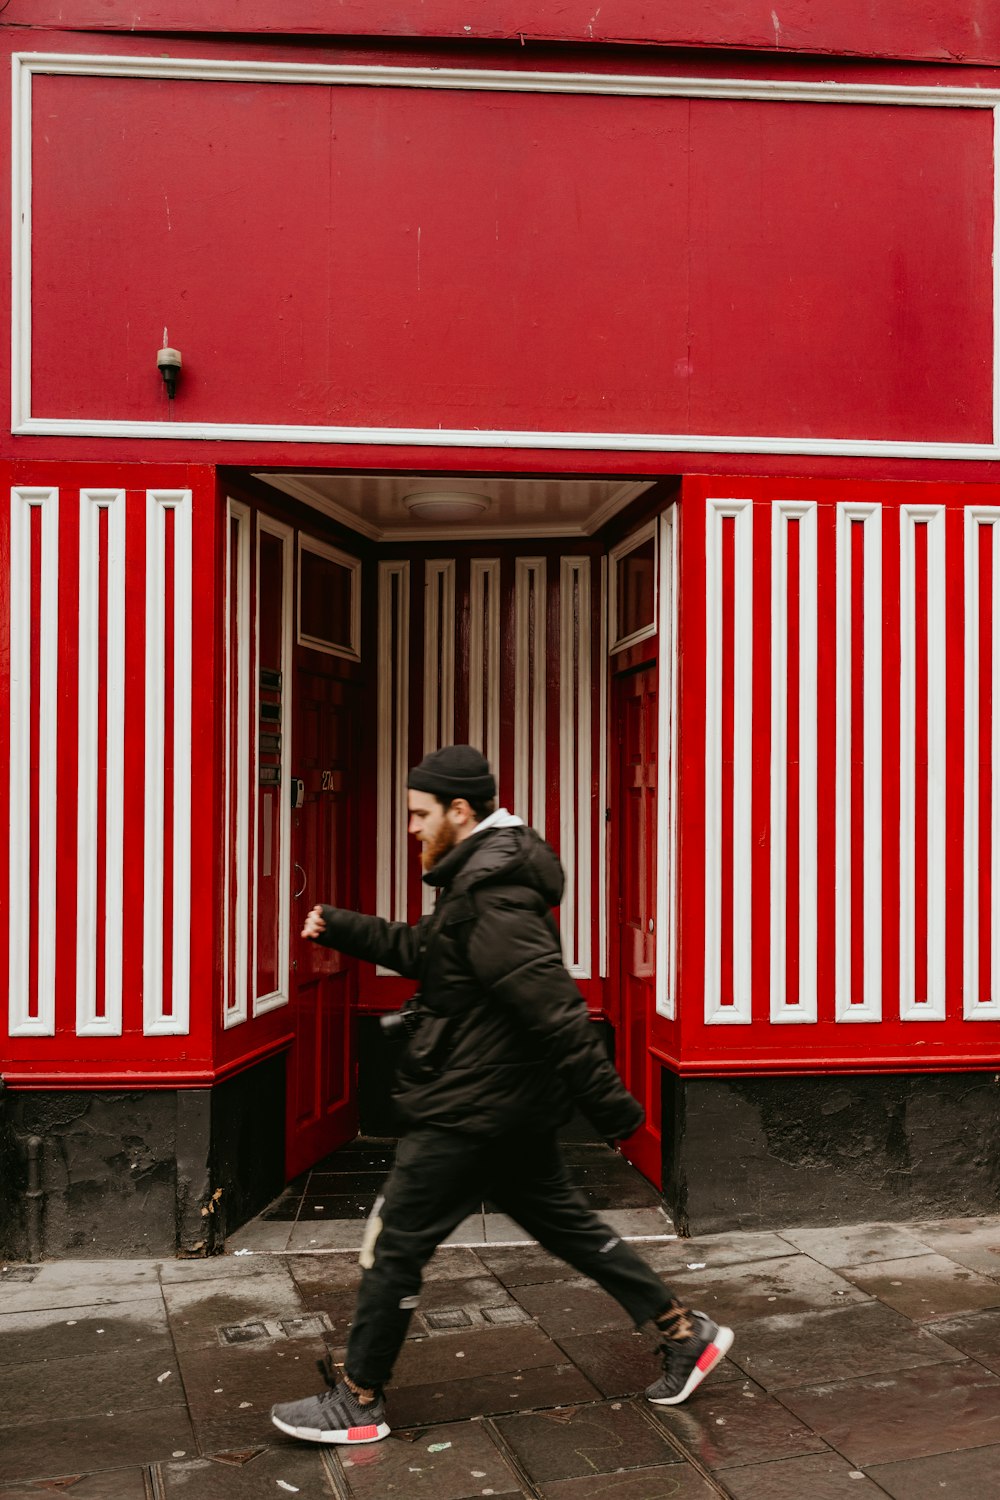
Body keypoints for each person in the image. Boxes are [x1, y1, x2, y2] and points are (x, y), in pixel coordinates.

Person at [270, 745, 733, 1446]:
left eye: (420, 814)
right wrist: (345, 927)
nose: (412, 828)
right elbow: (434, 954)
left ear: (461, 811)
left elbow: (554, 1009)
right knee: (569, 1228)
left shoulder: (495, 896)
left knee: (394, 1245)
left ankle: (359, 1400)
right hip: (500, 1105)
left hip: (469, 1110)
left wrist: (614, 1110)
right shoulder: (478, 882)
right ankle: (684, 1333)